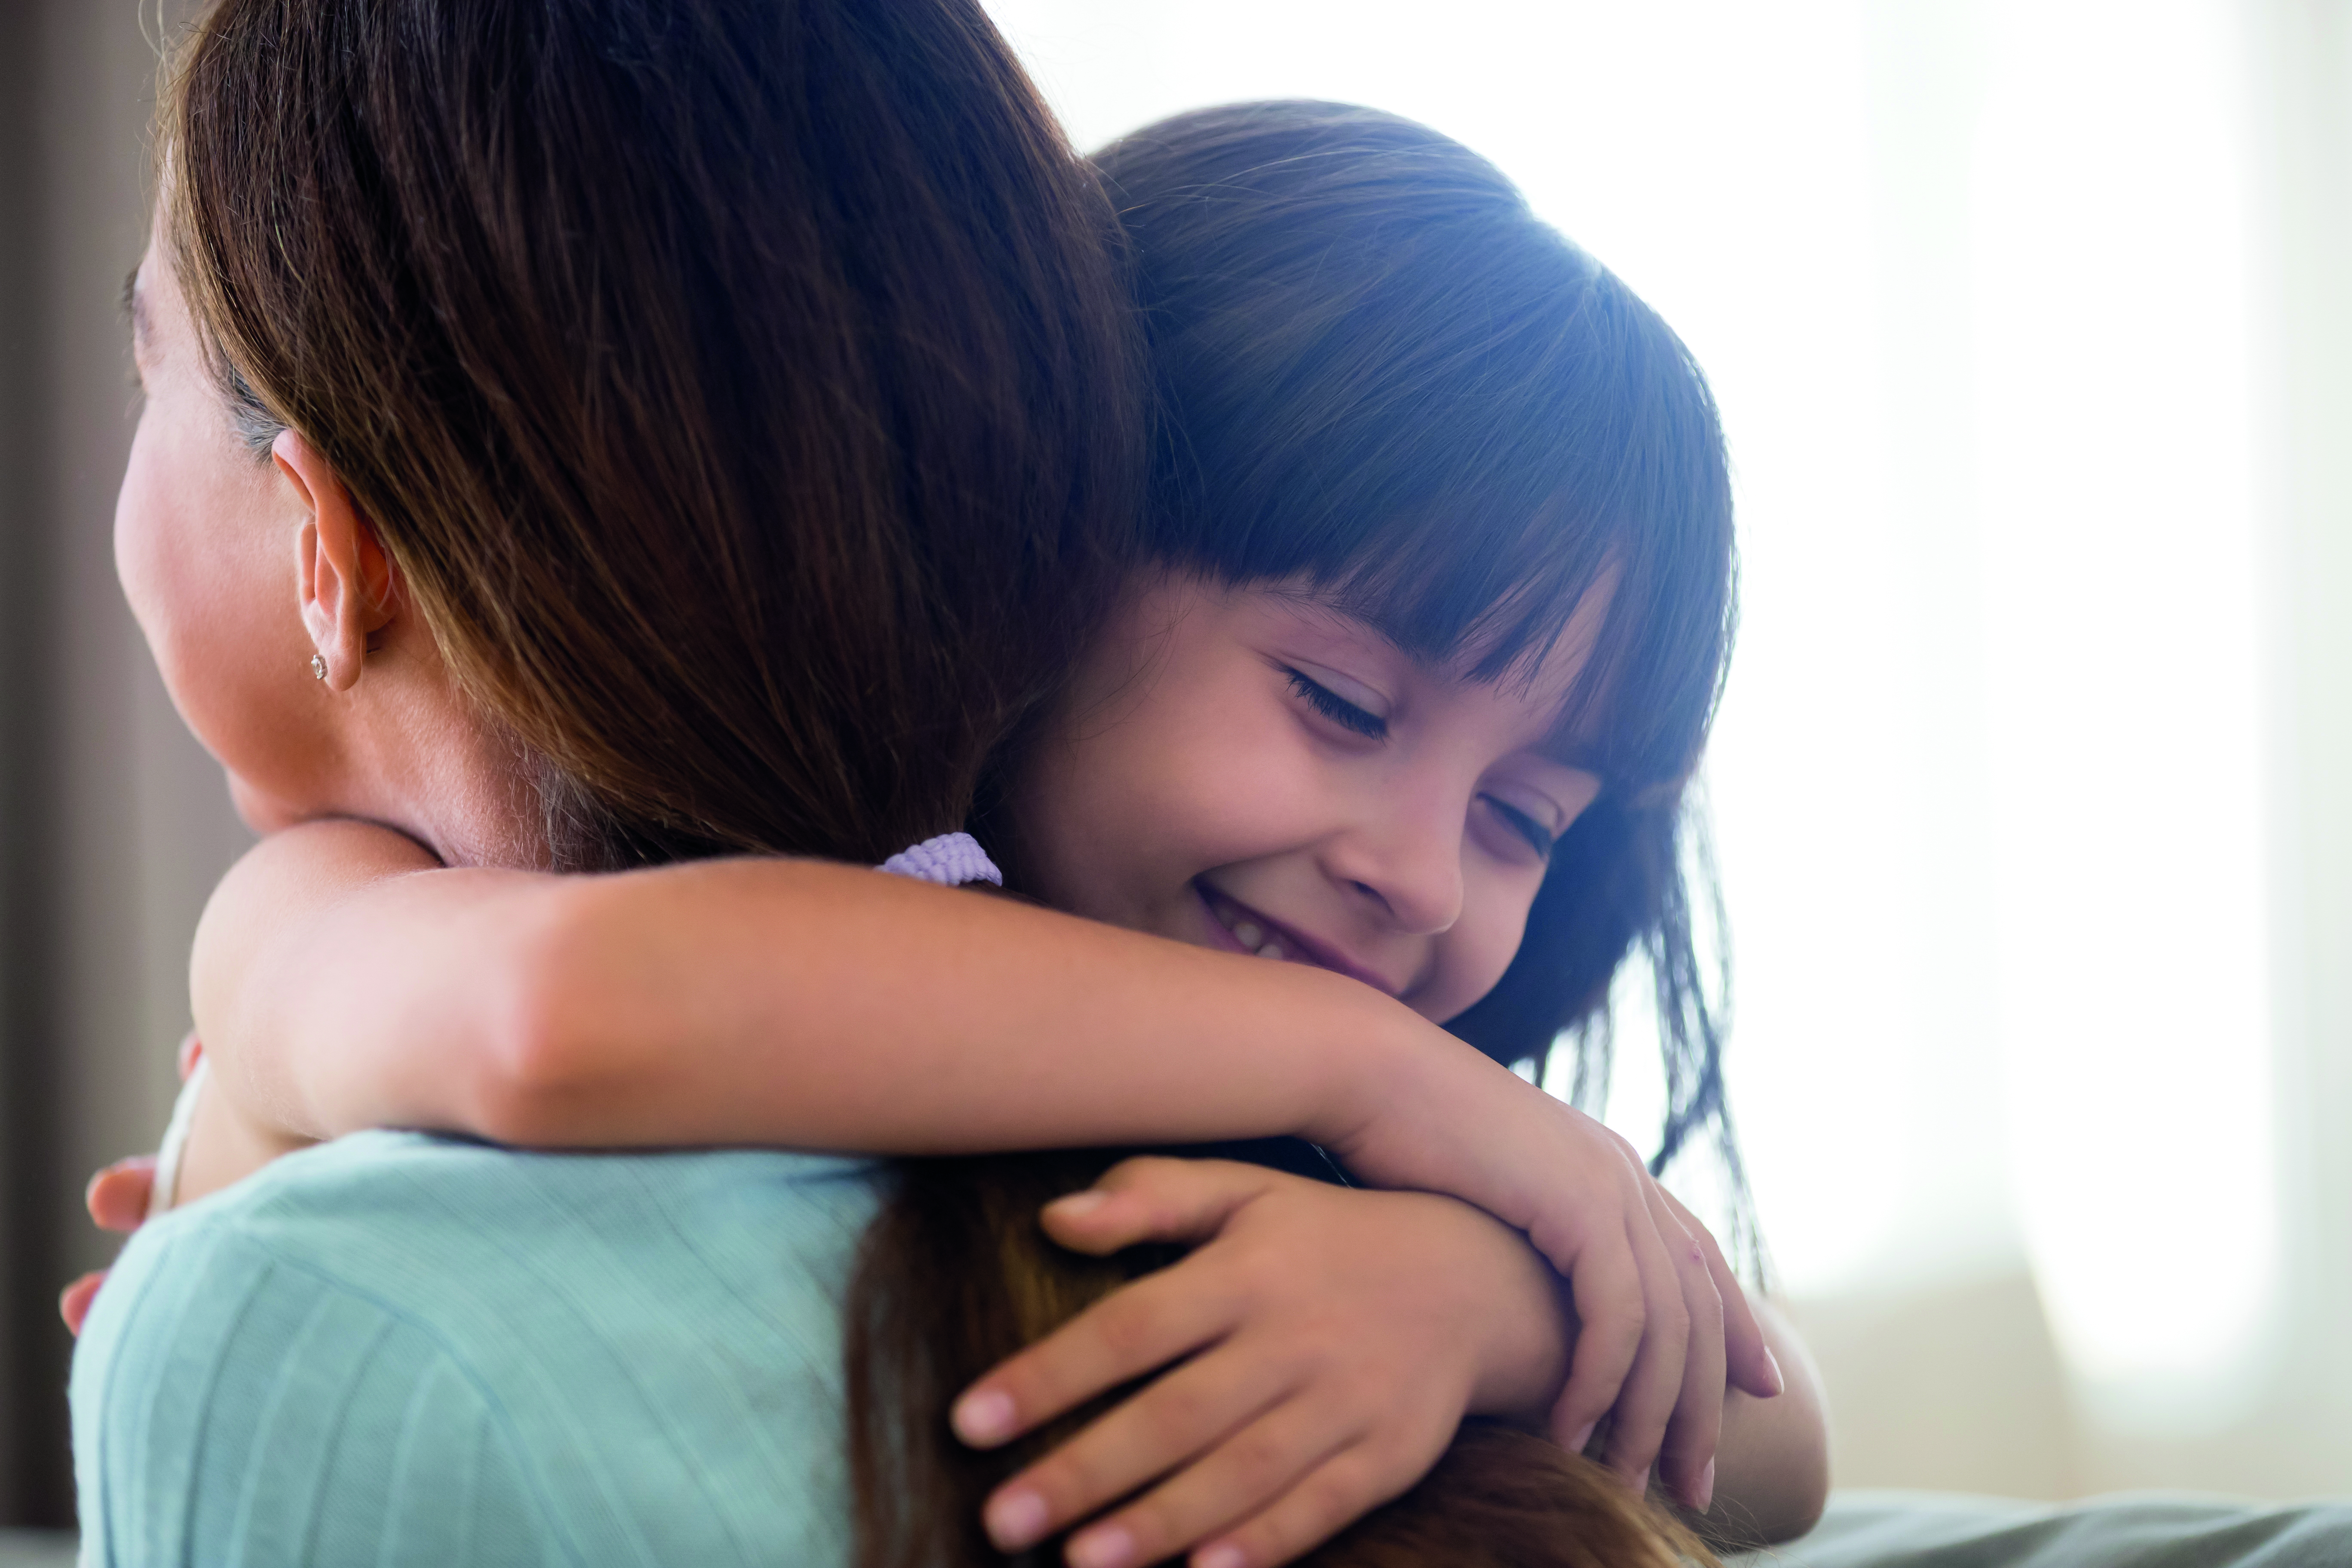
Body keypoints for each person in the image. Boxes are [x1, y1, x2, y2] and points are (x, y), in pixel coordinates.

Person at [70, 2, 1819, 1563]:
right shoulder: (348, 907)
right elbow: (560, 1010)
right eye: (1339, 703)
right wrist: (1379, 1076)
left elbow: (1777, 1435)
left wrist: (1478, 1304)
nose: (1427, 878)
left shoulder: (1328, 1145)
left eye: (1527, 820)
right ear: (1049, 552)